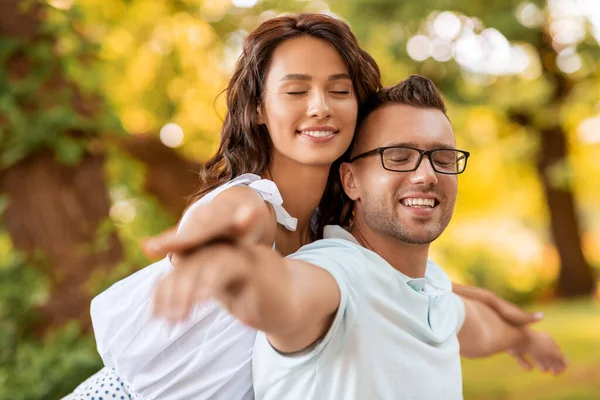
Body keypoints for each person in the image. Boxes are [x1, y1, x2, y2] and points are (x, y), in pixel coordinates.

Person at [68, 13, 544, 400]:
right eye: (296, 91)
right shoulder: (250, 203)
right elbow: (228, 234)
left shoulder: (324, 224)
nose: (320, 107)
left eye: (339, 90)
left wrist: (481, 304)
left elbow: (397, 288)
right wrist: (213, 252)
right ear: (257, 108)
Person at [152, 76, 567, 400]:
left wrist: (526, 338)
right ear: (351, 180)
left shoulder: (431, 290)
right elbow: (284, 294)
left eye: (441, 157)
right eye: (398, 157)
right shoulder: (335, 273)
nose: (425, 174)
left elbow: (475, 327)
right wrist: (240, 270)